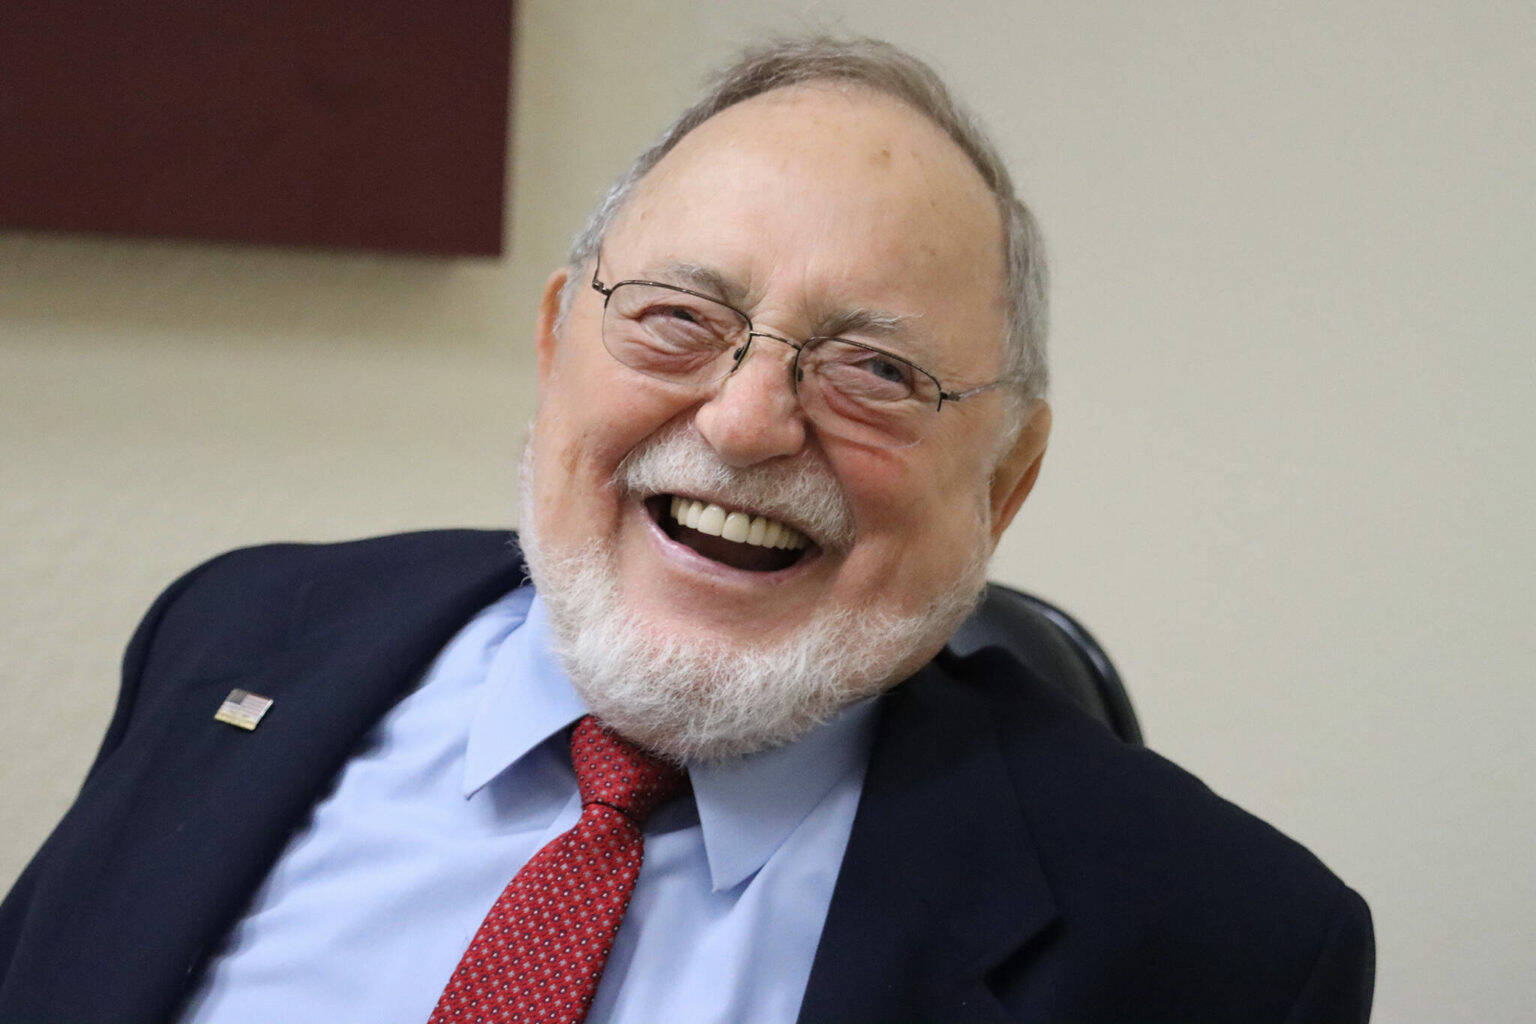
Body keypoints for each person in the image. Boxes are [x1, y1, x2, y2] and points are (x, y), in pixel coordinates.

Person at [0, 36, 1373, 1024]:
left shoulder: (1228, 947)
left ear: (1005, 481)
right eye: (677, 319)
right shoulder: (235, 634)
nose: (744, 422)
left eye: (876, 371)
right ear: (556, 345)